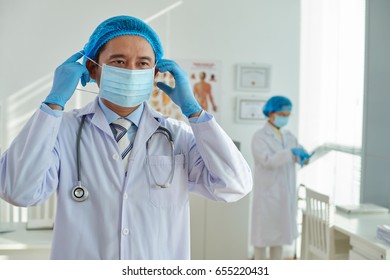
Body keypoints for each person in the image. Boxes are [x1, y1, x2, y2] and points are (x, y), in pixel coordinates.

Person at [0, 15, 252, 260]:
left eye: (143, 63)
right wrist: (53, 102)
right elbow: (18, 191)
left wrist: (195, 112)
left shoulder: (178, 135)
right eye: (119, 62)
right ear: (93, 68)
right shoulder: (61, 130)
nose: (132, 71)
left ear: (154, 75)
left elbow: (233, 185)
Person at [250, 96, 313, 260]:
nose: (285, 118)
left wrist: (304, 157)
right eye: (282, 114)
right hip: (268, 194)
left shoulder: (289, 136)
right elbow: (267, 161)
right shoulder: (260, 137)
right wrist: (290, 153)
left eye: (287, 115)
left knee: (279, 238)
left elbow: (299, 156)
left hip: (284, 194)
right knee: (262, 238)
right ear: (271, 113)